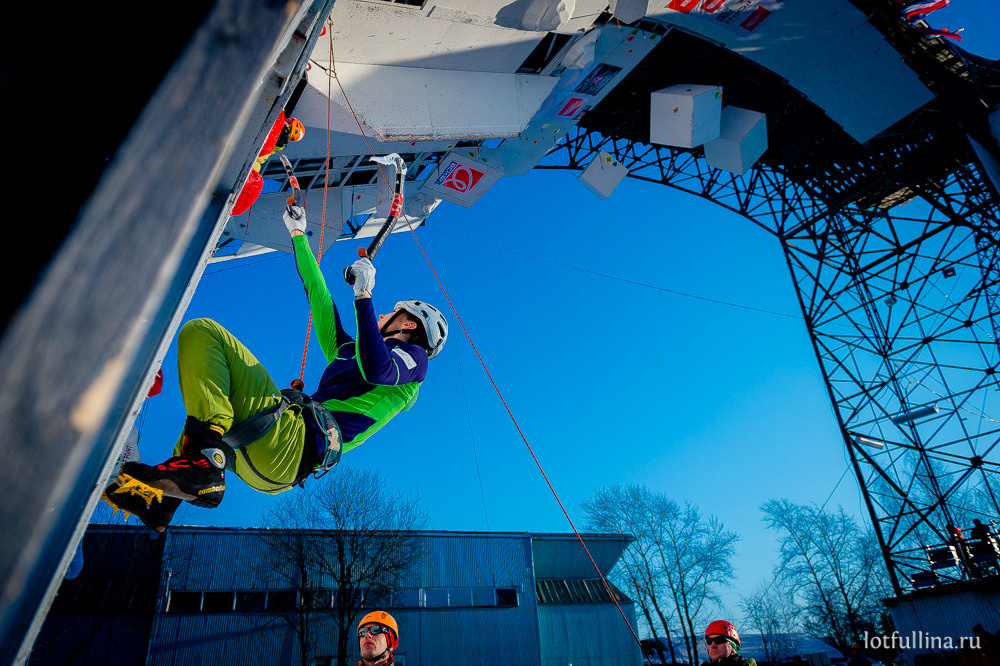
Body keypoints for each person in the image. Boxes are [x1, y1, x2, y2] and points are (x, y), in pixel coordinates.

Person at [105, 203, 448, 530]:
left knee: (203, 331)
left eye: (394, 313)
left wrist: (365, 296)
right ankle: (164, 502)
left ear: (409, 325)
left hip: (290, 444)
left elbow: (379, 370)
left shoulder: (413, 365)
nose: (385, 314)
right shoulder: (348, 352)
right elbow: (318, 294)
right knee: (213, 394)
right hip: (269, 461)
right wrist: (298, 233)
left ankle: (205, 466)